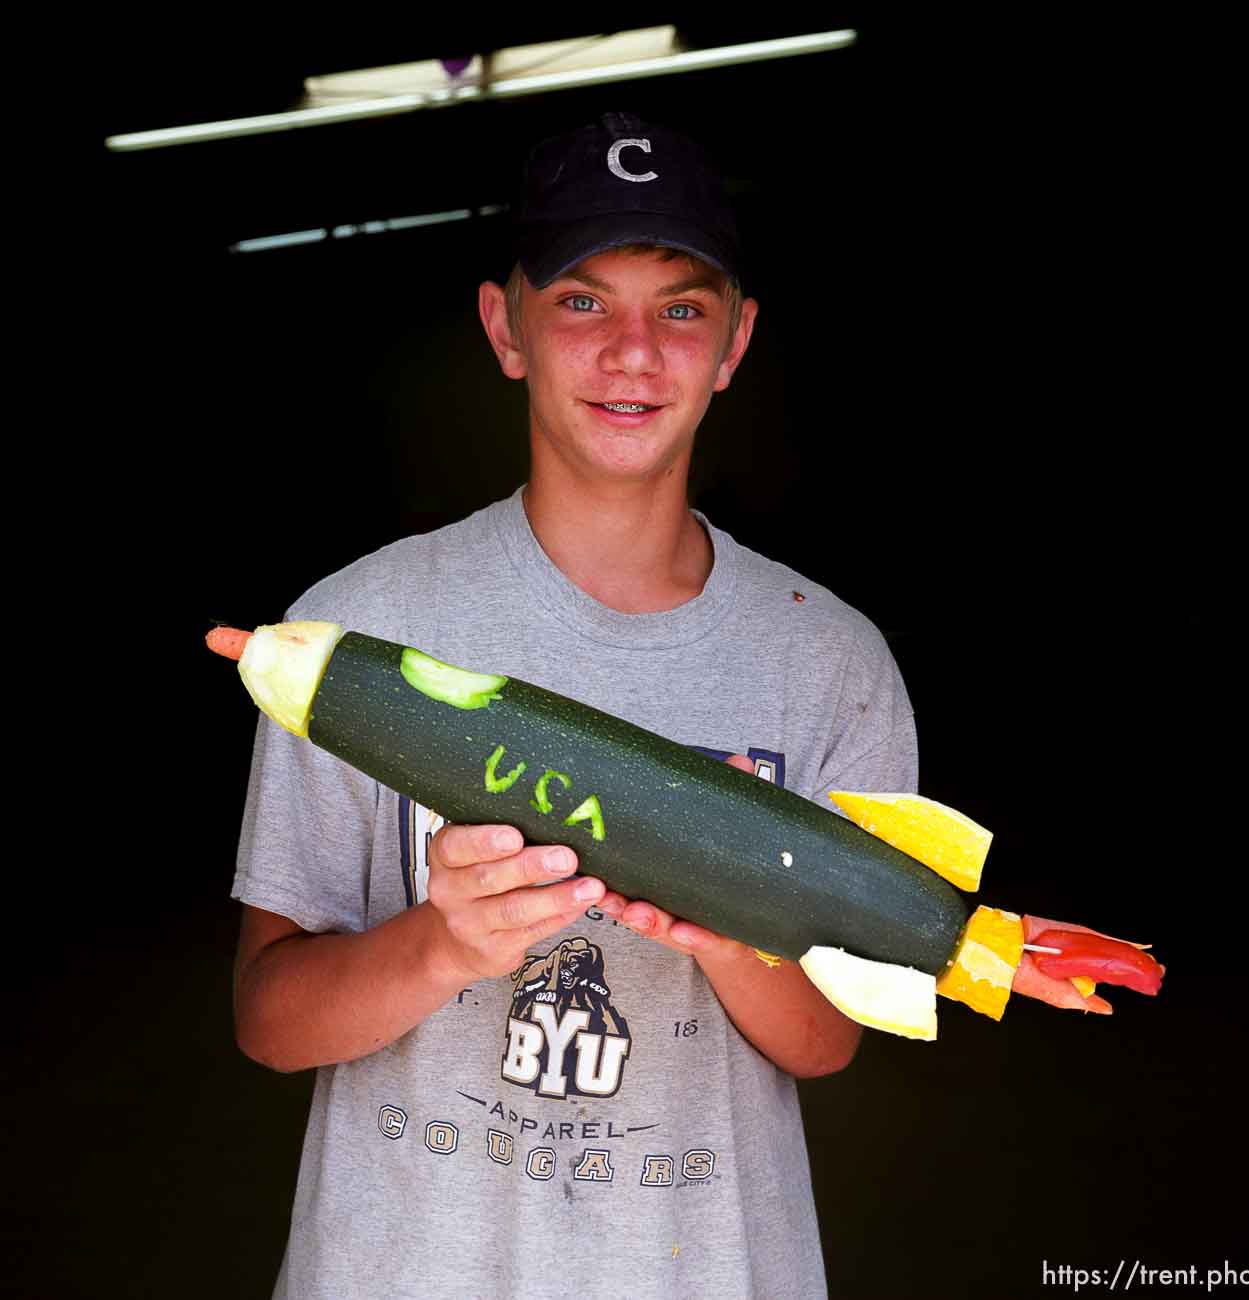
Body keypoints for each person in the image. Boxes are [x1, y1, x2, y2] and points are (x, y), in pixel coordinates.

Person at [232, 110, 918, 1298]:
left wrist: (738, 927)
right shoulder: (359, 633)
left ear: (735, 342)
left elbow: (830, 1039)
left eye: (682, 309)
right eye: (583, 302)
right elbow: (267, 1018)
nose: (634, 353)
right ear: (508, 327)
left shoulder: (830, 661)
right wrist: (440, 943)